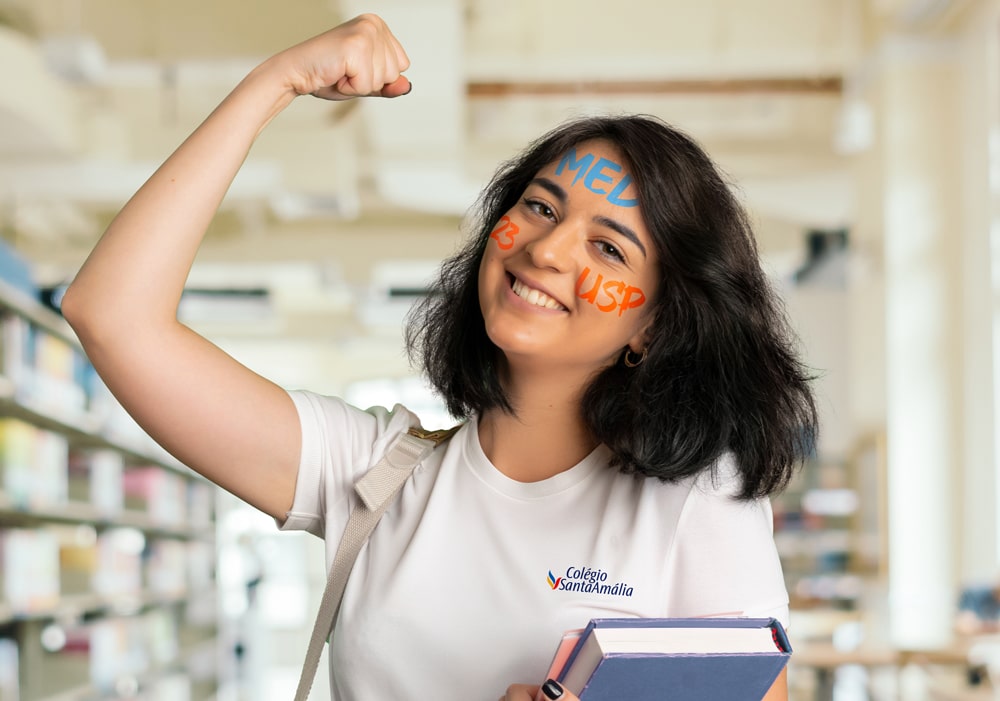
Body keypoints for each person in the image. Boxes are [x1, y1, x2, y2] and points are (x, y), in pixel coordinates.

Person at [61, 14, 817, 701]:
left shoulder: (696, 501)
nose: (548, 249)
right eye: (541, 207)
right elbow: (112, 316)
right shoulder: (371, 475)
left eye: (608, 247)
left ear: (653, 325)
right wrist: (275, 82)